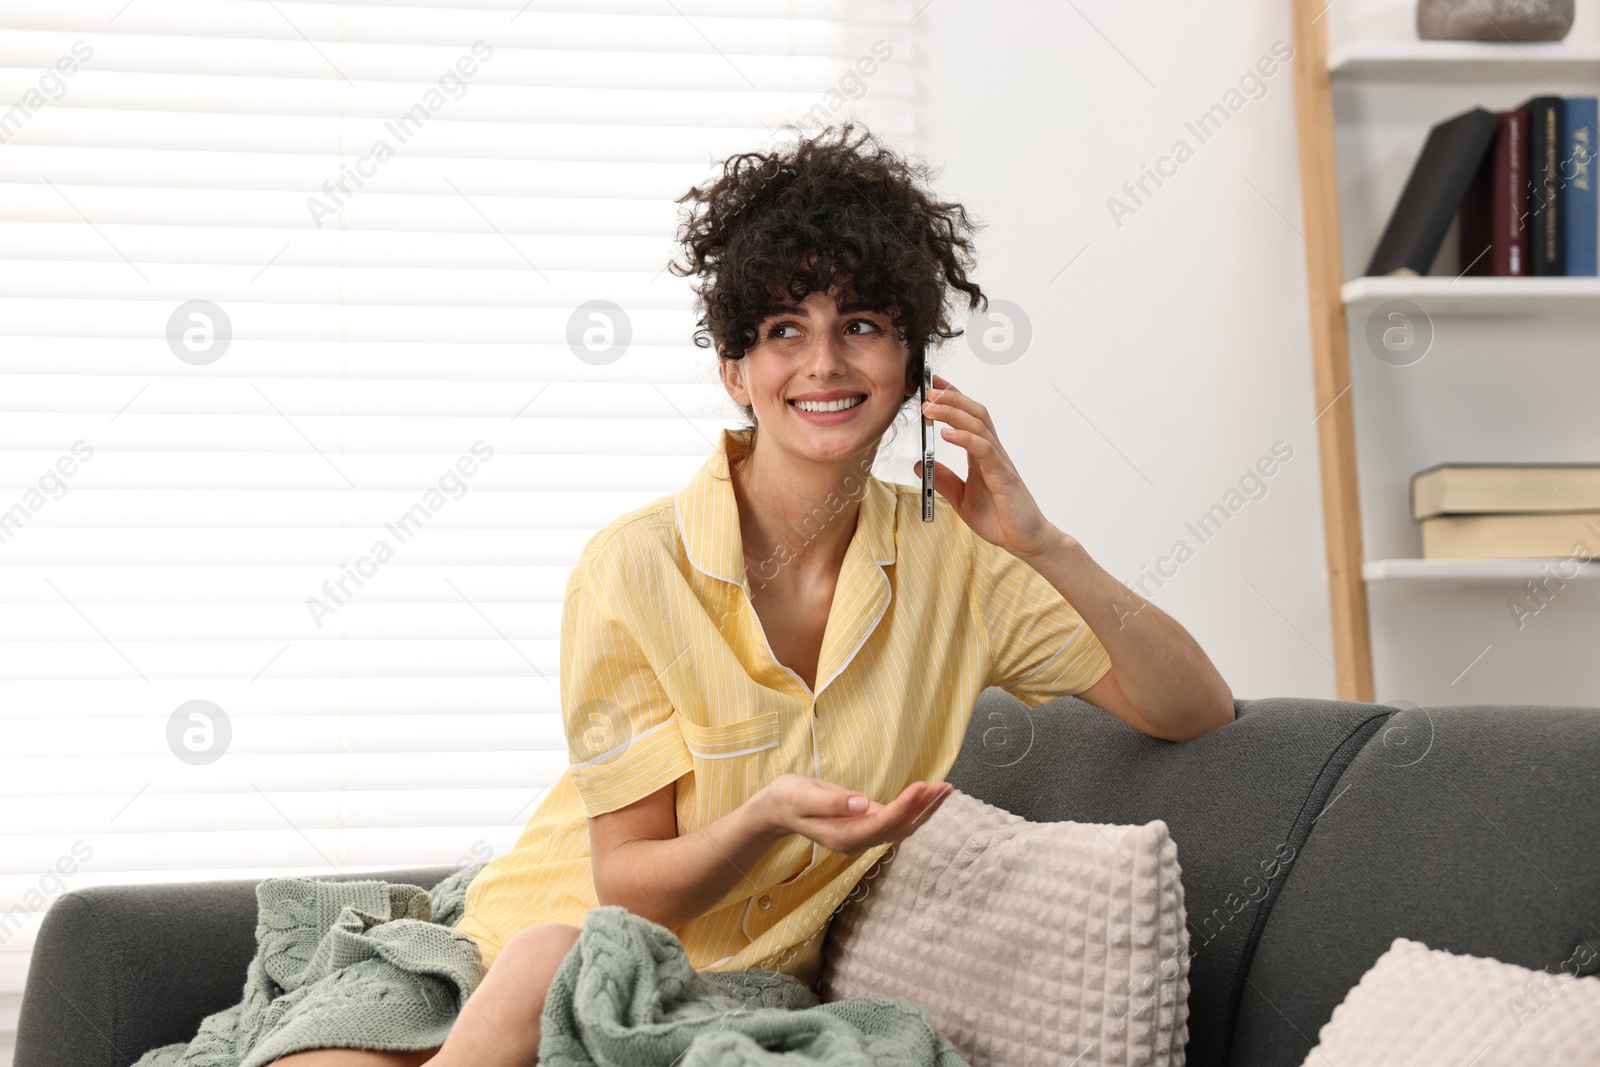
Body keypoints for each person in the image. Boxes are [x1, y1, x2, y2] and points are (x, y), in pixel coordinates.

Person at [278, 122, 1233, 1067]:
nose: (824, 364)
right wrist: (762, 819)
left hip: (712, 1000)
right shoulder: (632, 567)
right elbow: (628, 888)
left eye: (861, 325)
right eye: (785, 331)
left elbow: (1194, 705)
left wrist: (1044, 542)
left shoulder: (967, 567)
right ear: (735, 369)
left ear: (913, 370)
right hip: (516, 947)